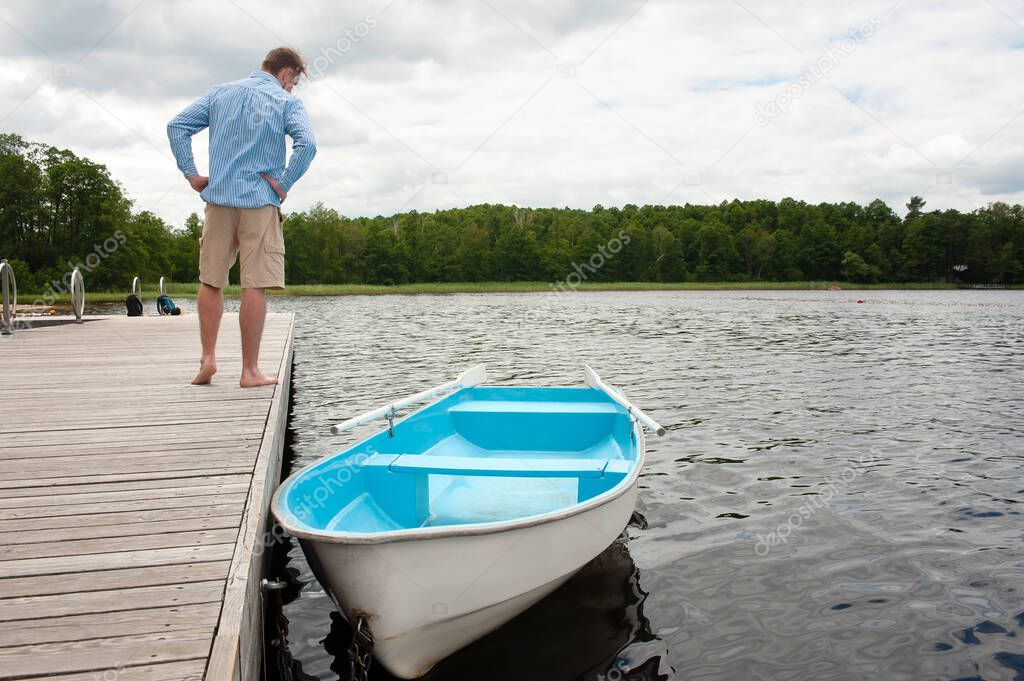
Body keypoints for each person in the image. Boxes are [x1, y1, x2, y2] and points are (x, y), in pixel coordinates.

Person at [167, 47, 316, 387]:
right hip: (260, 201)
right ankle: (249, 372)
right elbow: (307, 144)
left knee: (211, 279)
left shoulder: (221, 93)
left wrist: (192, 175)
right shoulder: (285, 101)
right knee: (254, 284)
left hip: (219, 199)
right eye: (293, 81)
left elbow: (177, 126)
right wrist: (284, 184)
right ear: (286, 73)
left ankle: (207, 359)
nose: (291, 88)